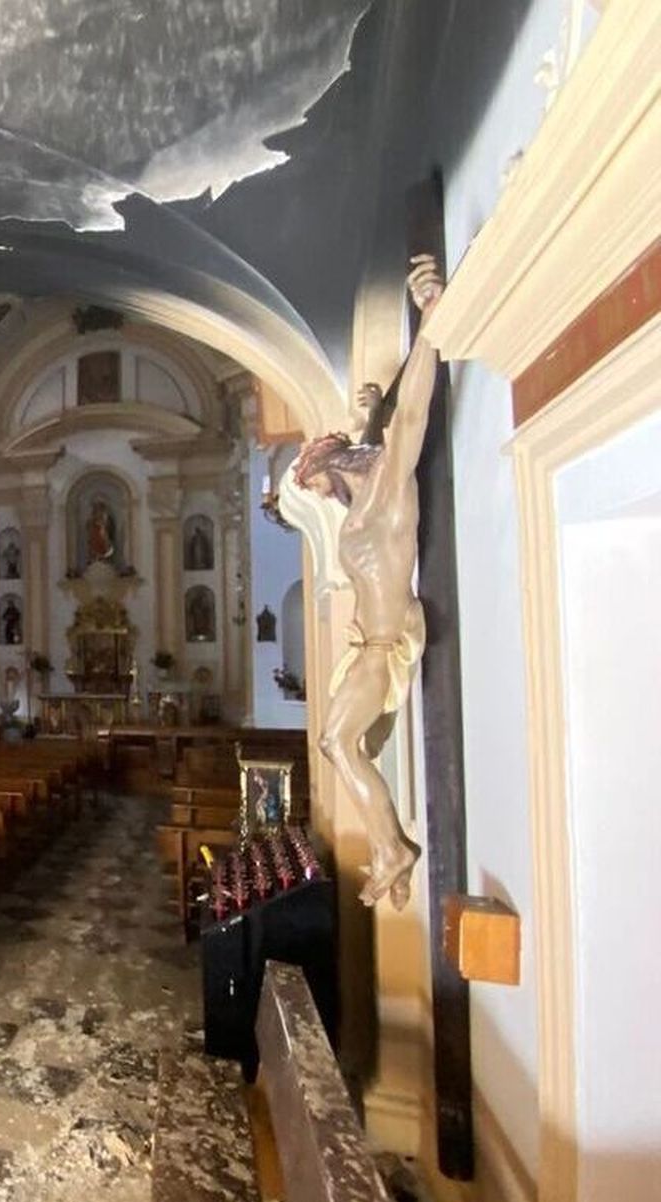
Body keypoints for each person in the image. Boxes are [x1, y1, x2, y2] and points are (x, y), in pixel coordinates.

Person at [292, 254, 444, 910]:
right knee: (337, 741)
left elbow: (408, 419)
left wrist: (433, 318)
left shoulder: (383, 490)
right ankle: (391, 849)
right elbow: (383, 422)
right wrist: (371, 409)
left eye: (316, 483)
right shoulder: (358, 505)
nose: (318, 494)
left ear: (332, 467)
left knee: (336, 741)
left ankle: (392, 848)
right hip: (372, 642)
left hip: (384, 643)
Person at [85, 499, 116, 564]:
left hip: (103, 534)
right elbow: (88, 527)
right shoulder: (92, 518)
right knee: (94, 545)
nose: (98, 510)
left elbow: (110, 527)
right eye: (97, 508)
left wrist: (104, 525)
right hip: (95, 535)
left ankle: (105, 558)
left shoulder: (106, 517)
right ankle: (95, 558)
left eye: (100, 508)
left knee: (105, 544)